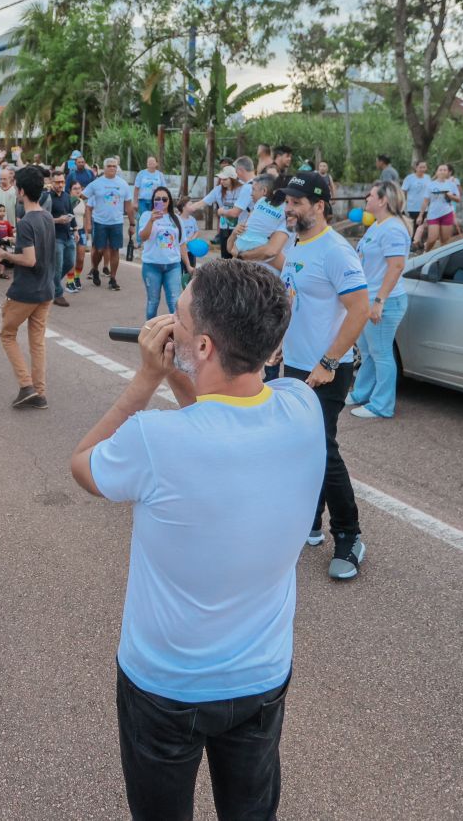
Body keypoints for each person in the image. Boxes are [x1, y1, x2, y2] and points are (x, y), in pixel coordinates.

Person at [68, 261, 323, 821]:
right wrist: (184, 370)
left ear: (203, 346)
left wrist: (145, 379)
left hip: (166, 685)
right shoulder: (302, 407)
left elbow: (84, 466)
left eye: (179, 319)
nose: (170, 325)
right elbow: (221, 417)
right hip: (261, 673)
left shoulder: (156, 440)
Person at [276, 171, 371, 579]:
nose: (288, 207)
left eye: (296, 202)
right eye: (287, 201)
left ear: (319, 205)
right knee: (300, 447)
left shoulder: (336, 250)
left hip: (327, 370)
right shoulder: (298, 245)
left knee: (323, 452)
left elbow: (360, 310)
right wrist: (278, 342)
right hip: (296, 365)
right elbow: (297, 301)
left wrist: (329, 362)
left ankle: (349, 535)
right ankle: (311, 521)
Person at [349, 180, 412, 420]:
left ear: (383, 200)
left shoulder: (393, 228)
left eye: (371, 195)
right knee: (367, 351)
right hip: (370, 298)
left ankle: (382, 405)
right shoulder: (377, 225)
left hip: (385, 301)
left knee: (382, 352)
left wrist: (379, 301)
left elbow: (396, 267)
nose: (366, 198)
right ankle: (362, 393)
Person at [0, 166, 55, 410]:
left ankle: (26, 385)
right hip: (46, 289)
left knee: (7, 335)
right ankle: (39, 392)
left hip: (26, 291)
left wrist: (5, 255)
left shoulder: (27, 221)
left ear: (20, 191)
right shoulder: (47, 217)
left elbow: (29, 259)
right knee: (37, 342)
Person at [136, 186, 195, 319]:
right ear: (153, 201)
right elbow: (143, 237)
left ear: (169, 201)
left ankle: (176, 334)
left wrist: (188, 265)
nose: (161, 202)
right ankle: (150, 333)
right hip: (152, 266)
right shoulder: (146, 215)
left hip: (173, 266)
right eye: (157, 199)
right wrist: (151, 220)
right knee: (153, 303)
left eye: (164, 199)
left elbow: (182, 244)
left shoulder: (176, 219)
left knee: (175, 303)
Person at [84, 157, 132, 289]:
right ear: (104, 168)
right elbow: (83, 198)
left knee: (114, 250)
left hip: (117, 222)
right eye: (109, 166)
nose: (112, 168)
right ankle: (95, 269)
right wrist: (87, 221)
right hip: (100, 222)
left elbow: (128, 205)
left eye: (114, 166)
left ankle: (113, 278)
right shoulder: (96, 184)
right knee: (99, 250)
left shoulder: (123, 184)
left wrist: (132, 224)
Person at [45, 169, 77, 307]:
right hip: (55, 236)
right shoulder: (47, 197)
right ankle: (57, 294)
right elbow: (44, 218)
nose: (60, 184)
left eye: (62, 182)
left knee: (70, 262)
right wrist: (58, 220)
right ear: (51, 182)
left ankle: (50, 283)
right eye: (57, 182)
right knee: (57, 267)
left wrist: (75, 229)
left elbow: (71, 212)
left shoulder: (66, 196)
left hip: (68, 235)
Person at [416, 163, 462, 251]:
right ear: (436, 172)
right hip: (433, 214)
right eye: (440, 170)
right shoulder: (430, 185)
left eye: (445, 170)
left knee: (444, 241)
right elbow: (426, 201)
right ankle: (426, 253)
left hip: (447, 213)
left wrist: (451, 196)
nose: (442, 171)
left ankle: (442, 259)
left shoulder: (452, 184)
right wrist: (420, 215)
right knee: (432, 239)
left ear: (448, 172)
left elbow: (458, 199)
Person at [130, 156, 167, 261]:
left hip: (157, 201)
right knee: (141, 219)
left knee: (158, 218)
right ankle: (139, 241)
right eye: (148, 161)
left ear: (156, 163)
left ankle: (156, 238)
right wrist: (135, 201)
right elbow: (136, 189)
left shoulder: (160, 175)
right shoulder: (141, 174)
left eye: (152, 161)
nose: (150, 163)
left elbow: (164, 189)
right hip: (143, 200)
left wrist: (163, 203)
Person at [401, 160, 431, 240]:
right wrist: (403, 204)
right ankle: (412, 243)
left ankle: (418, 243)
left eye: (424, 167)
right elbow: (403, 192)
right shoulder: (409, 178)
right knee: (413, 226)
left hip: (424, 207)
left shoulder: (428, 178)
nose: (422, 169)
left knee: (421, 227)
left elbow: (429, 192)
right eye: (420, 167)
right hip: (412, 207)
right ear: (416, 167)